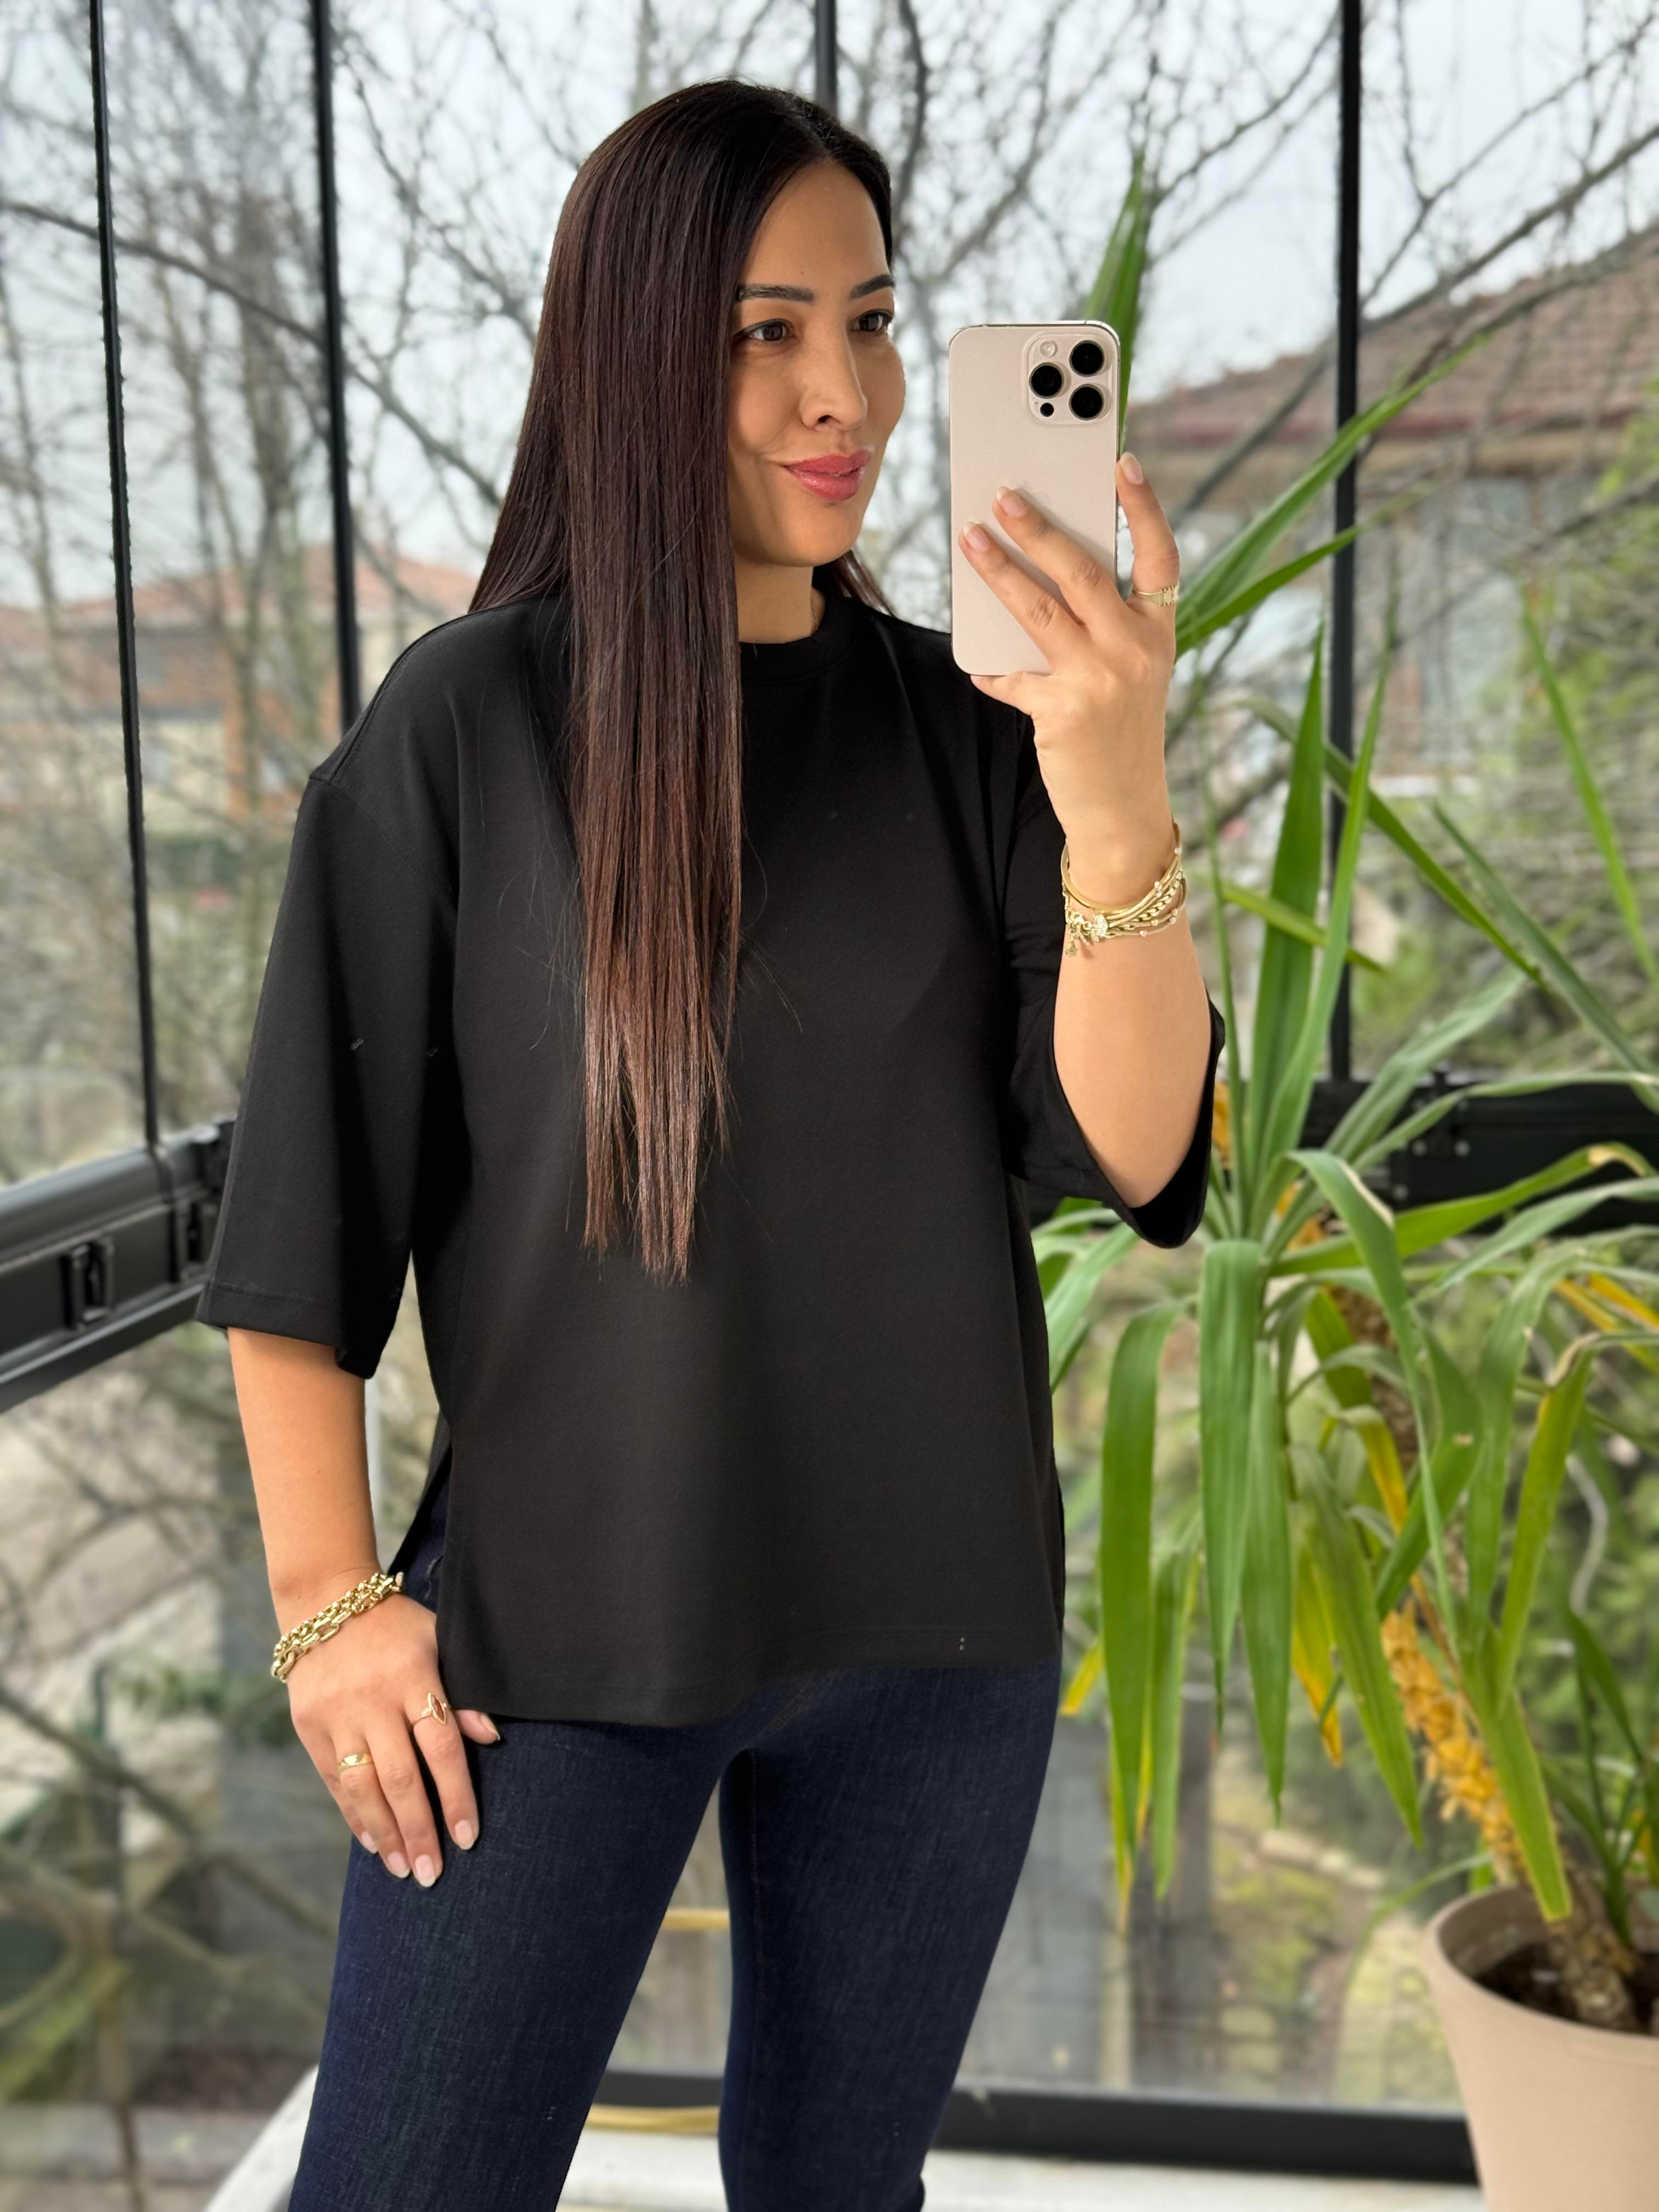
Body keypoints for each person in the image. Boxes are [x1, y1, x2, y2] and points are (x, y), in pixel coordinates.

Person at [196, 77, 1223, 2212]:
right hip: (562, 1641)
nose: (843, 392)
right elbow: (305, 1224)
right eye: (767, 332)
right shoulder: (466, 725)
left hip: (936, 1641)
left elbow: (1135, 1156)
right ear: (636, 352)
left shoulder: (982, 735)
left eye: (871, 321)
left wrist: (1118, 796)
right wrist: (328, 1610)